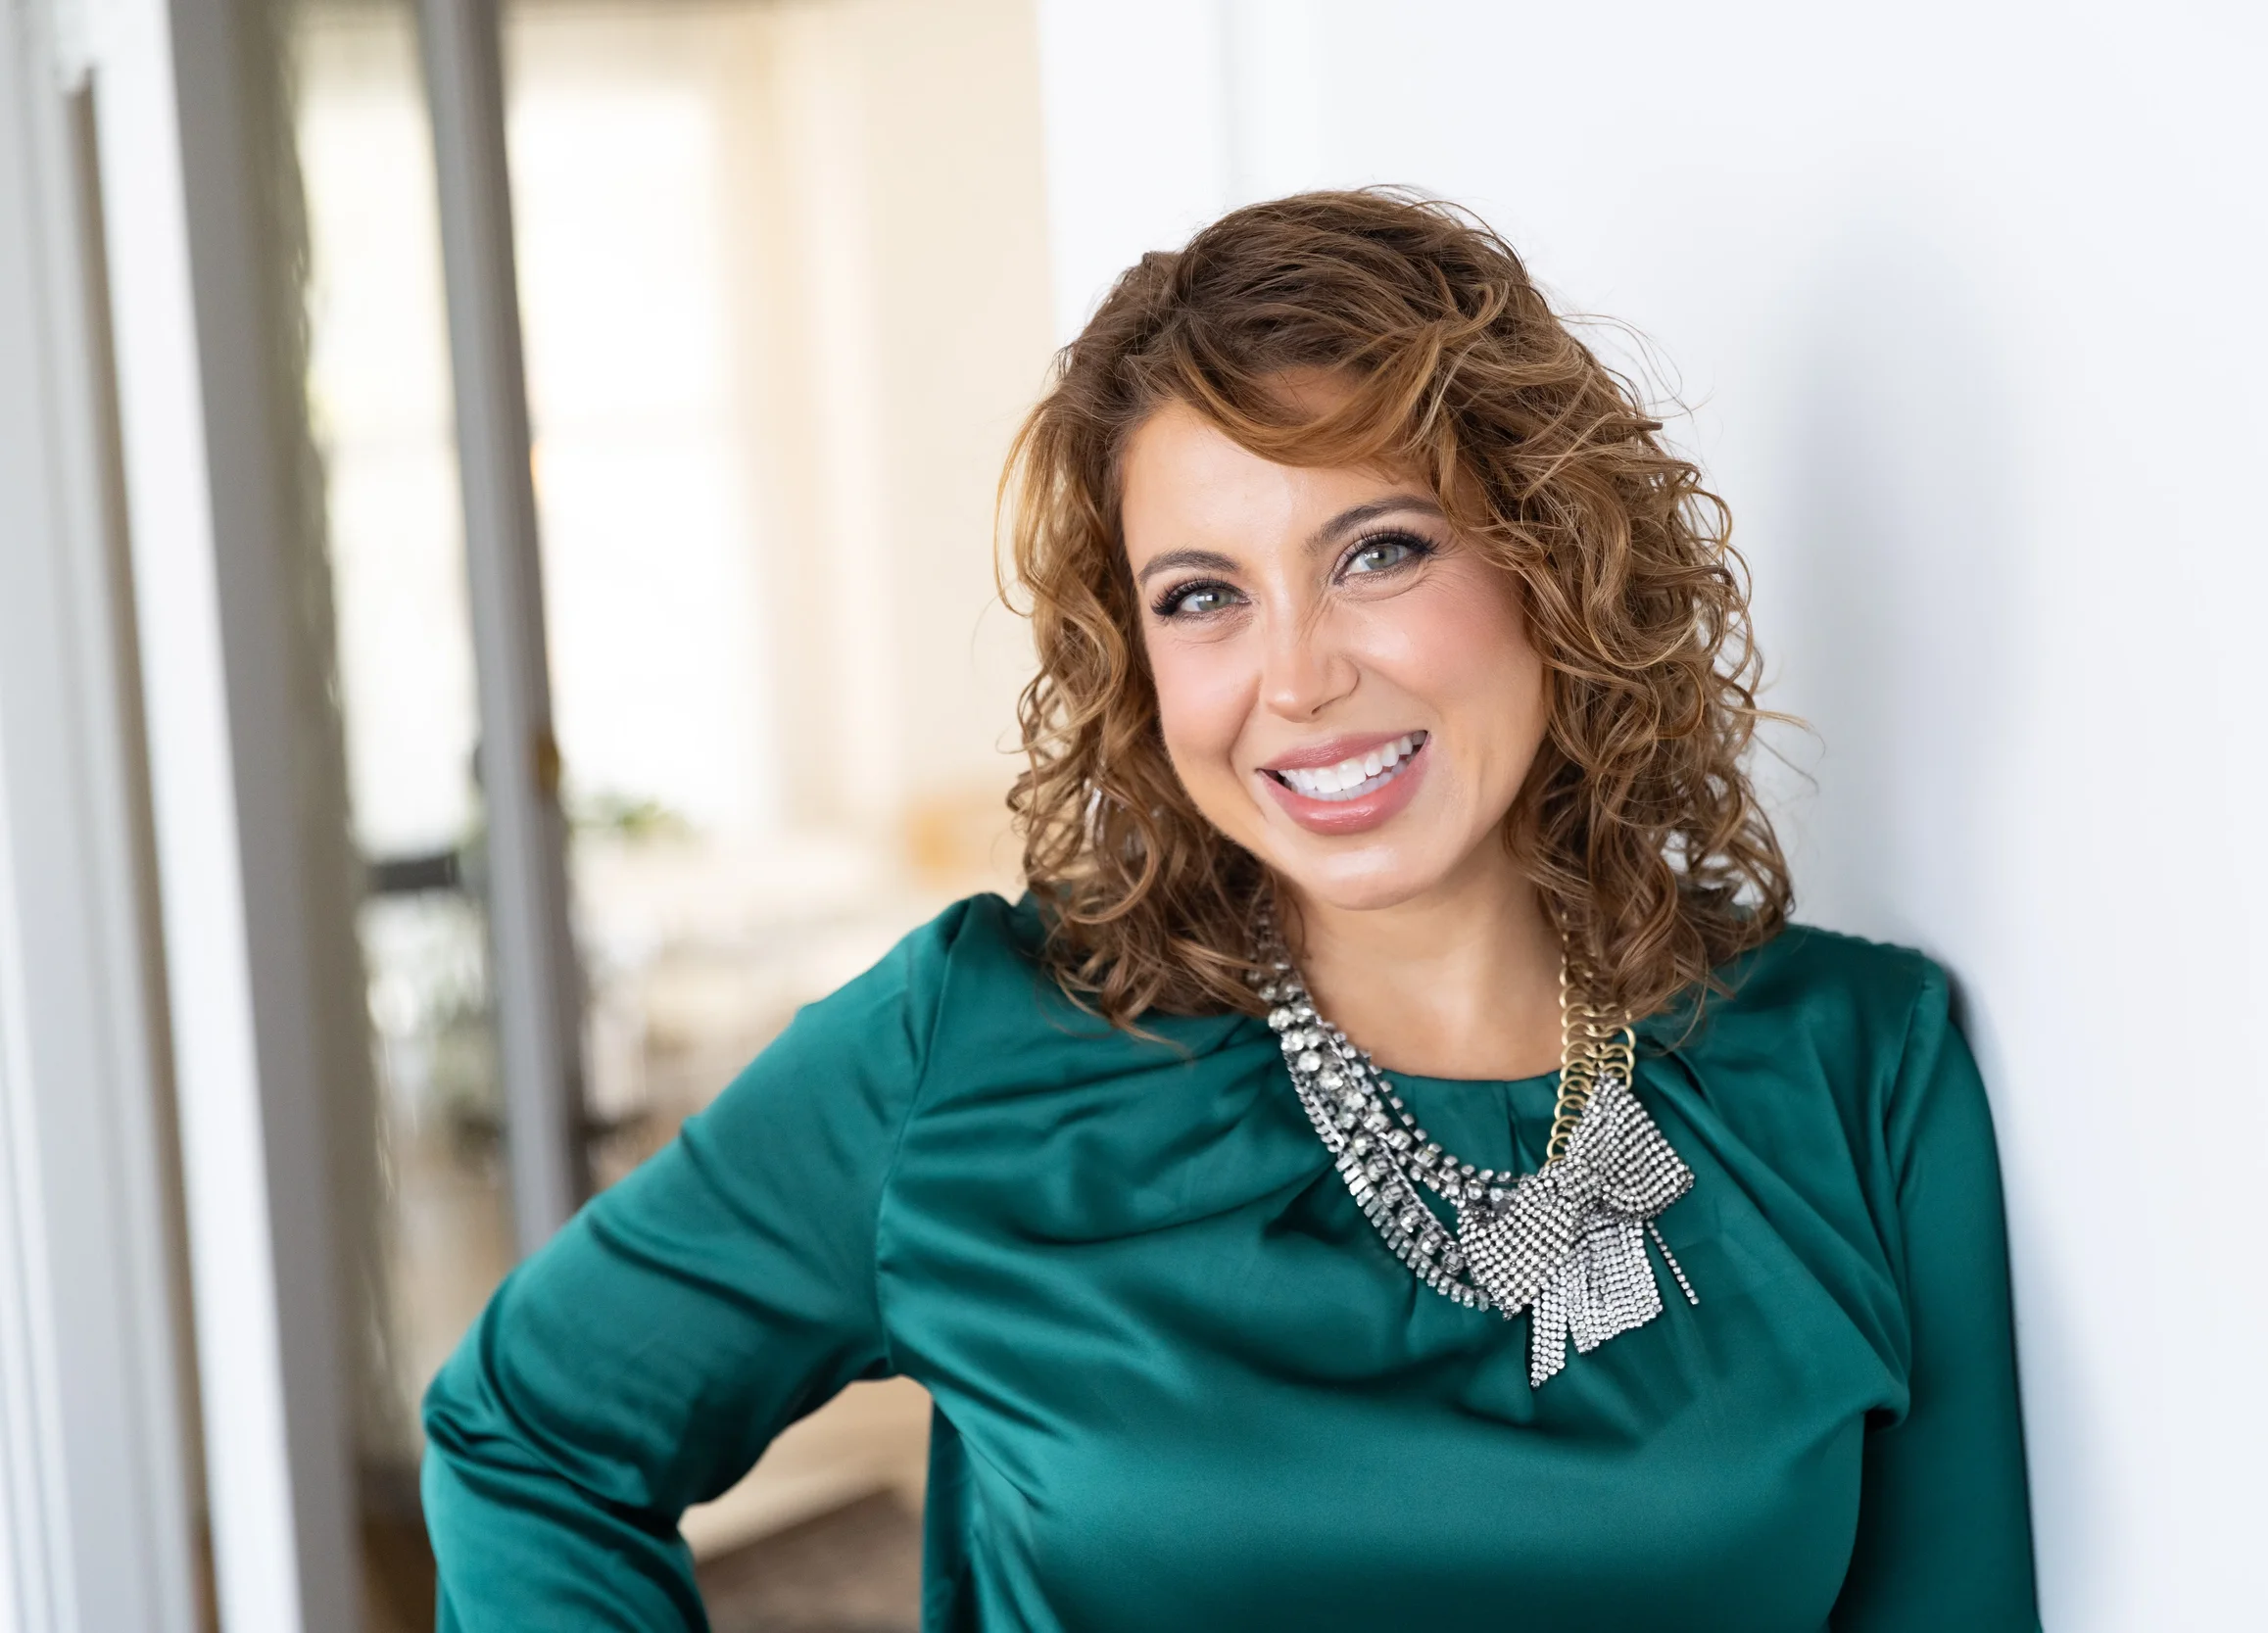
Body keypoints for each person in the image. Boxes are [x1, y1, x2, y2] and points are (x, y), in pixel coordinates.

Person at [421, 189, 2040, 1631]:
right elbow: (527, 1434)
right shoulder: (966, 1058)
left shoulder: (1858, 1077)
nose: (1297, 678)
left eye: (1380, 551)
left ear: (1555, 560)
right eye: (1203, 593)